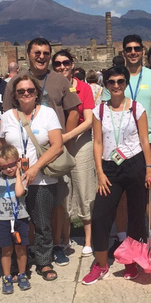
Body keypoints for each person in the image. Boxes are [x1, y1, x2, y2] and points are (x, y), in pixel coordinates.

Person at [2, 38, 80, 268]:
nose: (42, 56)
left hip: (52, 150)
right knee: (23, 210)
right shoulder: (14, 82)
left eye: (46, 53)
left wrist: (64, 137)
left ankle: (54, 247)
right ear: (28, 54)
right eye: (37, 52)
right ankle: (28, 250)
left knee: (55, 204)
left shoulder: (59, 80)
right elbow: (9, 116)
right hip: (22, 156)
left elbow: (73, 110)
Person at [84, 66, 151, 284]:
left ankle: (131, 261)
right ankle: (101, 264)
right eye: (111, 82)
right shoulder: (100, 111)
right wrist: (99, 172)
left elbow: (145, 140)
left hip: (134, 163)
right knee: (100, 216)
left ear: (126, 84)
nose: (116, 85)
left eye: (120, 81)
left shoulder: (136, 108)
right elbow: (97, 142)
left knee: (136, 216)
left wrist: (149, 169)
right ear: (105, 84)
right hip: (109, 167)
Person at [103, 35, 151, 255]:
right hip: (118, 144)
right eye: (128, 49)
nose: (133, 52)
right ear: (123, 52)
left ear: (142, 51)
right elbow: (104, 111)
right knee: (121, 193)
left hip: (148, 139)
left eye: (137, 48)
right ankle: (122, 238)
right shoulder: (115, 77)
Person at [0, 73, 64, 281]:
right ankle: (22, 262)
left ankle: (44, 261)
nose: (26, 94)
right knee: (17, 222)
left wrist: (35, 167)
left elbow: (57, 146)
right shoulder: (8, 116)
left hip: (42, 176)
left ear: (37, 93)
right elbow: (2, 146)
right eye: (21, 91)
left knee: (42, 221)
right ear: (15, 95)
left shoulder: (47, 113)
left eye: (30, 90)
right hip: (13, 178)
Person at [51, 50, 96, 257]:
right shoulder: (52, 87)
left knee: (84, 186)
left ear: (72, 63)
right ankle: (64, 238)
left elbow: (88, 120)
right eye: (58, 64)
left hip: (78, 140)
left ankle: (88, 238)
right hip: (57, 142)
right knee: (63, 191)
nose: (62, 67)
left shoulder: (83, 88)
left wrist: (67, 136)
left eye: (65, 62)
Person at [0, 143, 31, 294]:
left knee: (21, 248)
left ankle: (22, 274)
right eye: (4, 166)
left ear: (18, 162)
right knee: (6, 249)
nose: (9, 169)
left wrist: (19, 174)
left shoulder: (23, 178)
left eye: (12, 165)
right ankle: (6, 276)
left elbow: (20, 193)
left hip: (20, 217)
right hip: (3, 219)